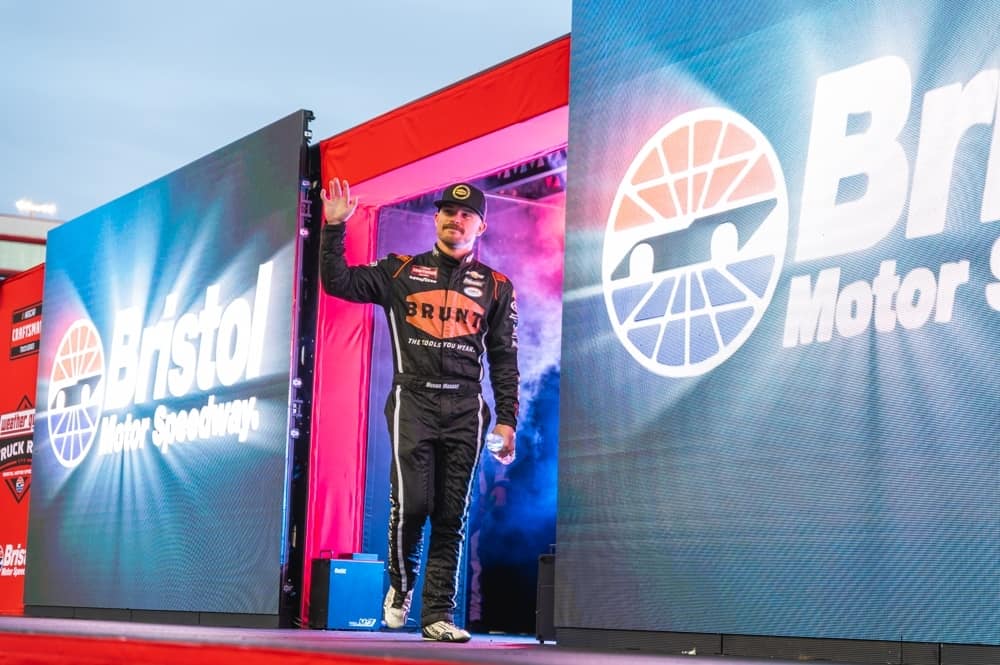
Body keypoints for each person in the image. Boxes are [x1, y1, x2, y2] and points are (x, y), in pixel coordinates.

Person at [319, 178, 519, 643]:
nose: (456, 220)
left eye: (466, 215)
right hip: (413, 399)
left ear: (481, 227)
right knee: (412, 506)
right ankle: (400, 586)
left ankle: (437, 615)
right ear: (436, 219)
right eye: (448, 212)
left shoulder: (497, 286)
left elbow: (505, 357)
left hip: (466, 407)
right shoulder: (401, 271)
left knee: (451, 515)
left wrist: (507, 418)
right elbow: (338, 282)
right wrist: (333, 229)